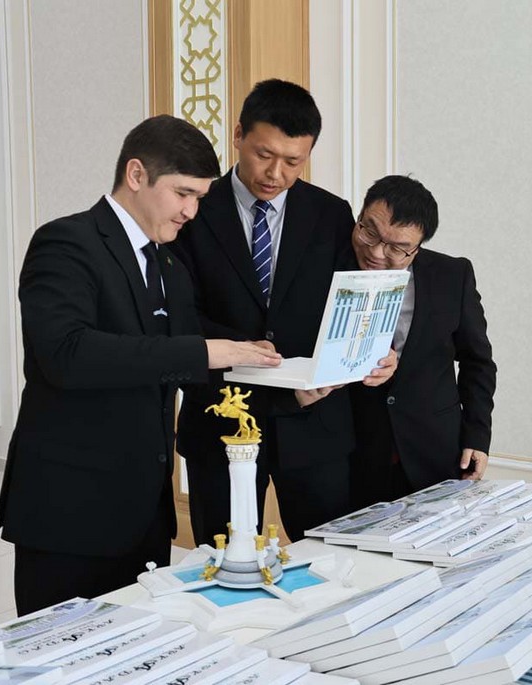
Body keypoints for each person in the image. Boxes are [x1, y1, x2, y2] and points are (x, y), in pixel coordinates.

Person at [0, 115, 281, 615]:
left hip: (145, 514)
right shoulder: (65, 242)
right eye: (183, 194)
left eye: (199, 198)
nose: (191, 211)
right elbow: (67, 354)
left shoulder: (168, 263)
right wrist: (205, 351)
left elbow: (189, 357)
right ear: (136, 174)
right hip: (69, 510)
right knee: (62, 647)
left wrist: (285, 376)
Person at [169, 79, 394, 543]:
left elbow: (351, 304)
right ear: (238, 135)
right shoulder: (193, 210)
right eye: (264, 155)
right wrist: (240, 350)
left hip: (316, 427)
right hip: (222, 417)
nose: (276, 173)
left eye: (293, 161)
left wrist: (375, 349)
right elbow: (177, 314)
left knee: (330, 557)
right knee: (223, 557)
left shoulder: (330, 213)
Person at [347, 175, 497, 508]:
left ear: (417, 247)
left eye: (397, 248)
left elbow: (477, 362)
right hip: (354, 453)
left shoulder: (452, 276)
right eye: (370, 232)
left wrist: (477, 435)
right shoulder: (328, 267)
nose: (376, 252)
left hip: (436, 452)